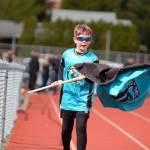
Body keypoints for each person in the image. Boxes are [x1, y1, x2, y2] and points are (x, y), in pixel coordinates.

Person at [56, 24, 99, 150]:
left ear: (90, 41)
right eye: (81, 38)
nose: (83, 42)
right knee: (65, 130)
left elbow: (95, 77)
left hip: (83, 100)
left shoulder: (93, 59)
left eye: (87, 39)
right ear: (75, 39)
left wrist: (86, 76)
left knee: (81, 129)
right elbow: (61, 68)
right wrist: (59, 79)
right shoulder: (67, 54)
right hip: (67, 98)